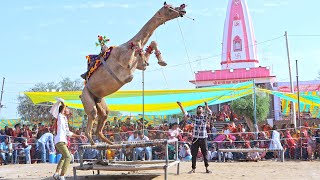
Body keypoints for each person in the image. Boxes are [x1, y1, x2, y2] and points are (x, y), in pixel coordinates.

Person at [52, 99, 86, 180]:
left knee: (64, 157)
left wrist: (79, 136)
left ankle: (56, 173)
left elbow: (69, 133)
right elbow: (62, 108)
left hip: (61, 141)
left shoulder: (64, 119)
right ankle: (62, 175)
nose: (68, 109)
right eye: (67, 108)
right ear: (63, 110)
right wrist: (63, 102)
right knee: (68, 157)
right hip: (60, 140)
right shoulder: (60, 116)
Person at [177, 101, 212, 174]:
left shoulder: (205, 117)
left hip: (203, 138)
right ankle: (193, 169)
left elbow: (210, 113)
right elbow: (185, 113)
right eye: (198, 108)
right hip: (196, 138)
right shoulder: (194, 117)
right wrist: (180, 105)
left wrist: (207, 106)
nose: (199, 109)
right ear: (197, 110)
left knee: (205, 153)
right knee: (194, 154)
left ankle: (207, 168)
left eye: (200, 108)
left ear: (202, 110)